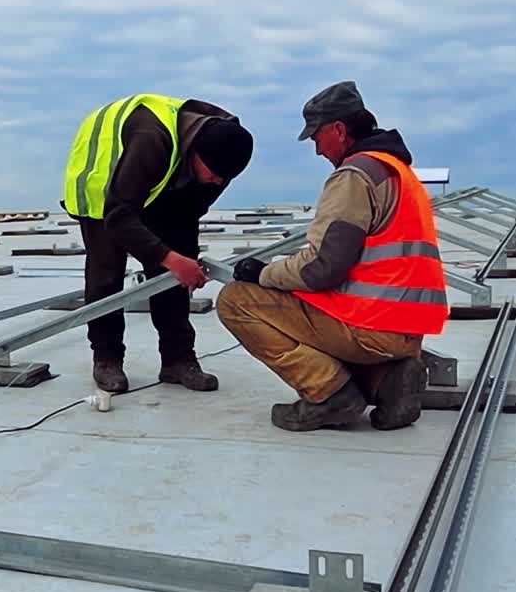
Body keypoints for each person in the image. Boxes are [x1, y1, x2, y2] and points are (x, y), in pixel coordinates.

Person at [216, 81, 447, 432]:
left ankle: (329, 394)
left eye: (315, 137)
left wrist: (263, 273)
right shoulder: (400, 173)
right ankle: (385, 379)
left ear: (338, 130)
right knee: (310, 303)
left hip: (370, 325)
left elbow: (324, 268)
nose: (316, 150)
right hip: (408, 331)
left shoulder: (354, 176)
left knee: (235, 301)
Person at [62, 93, 254, 395]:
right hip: (104, 195)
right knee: (106, 276)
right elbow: (119, 215)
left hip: (159, 187)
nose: (218, 182)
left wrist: (181, 260)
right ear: (195, 154)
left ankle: (178, 359)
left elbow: (189, 212)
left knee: (171, 278)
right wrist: (170, 258)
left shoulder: (223, 148)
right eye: (214, 175)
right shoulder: (151, 140)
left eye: (224, 179)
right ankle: (107, 358)